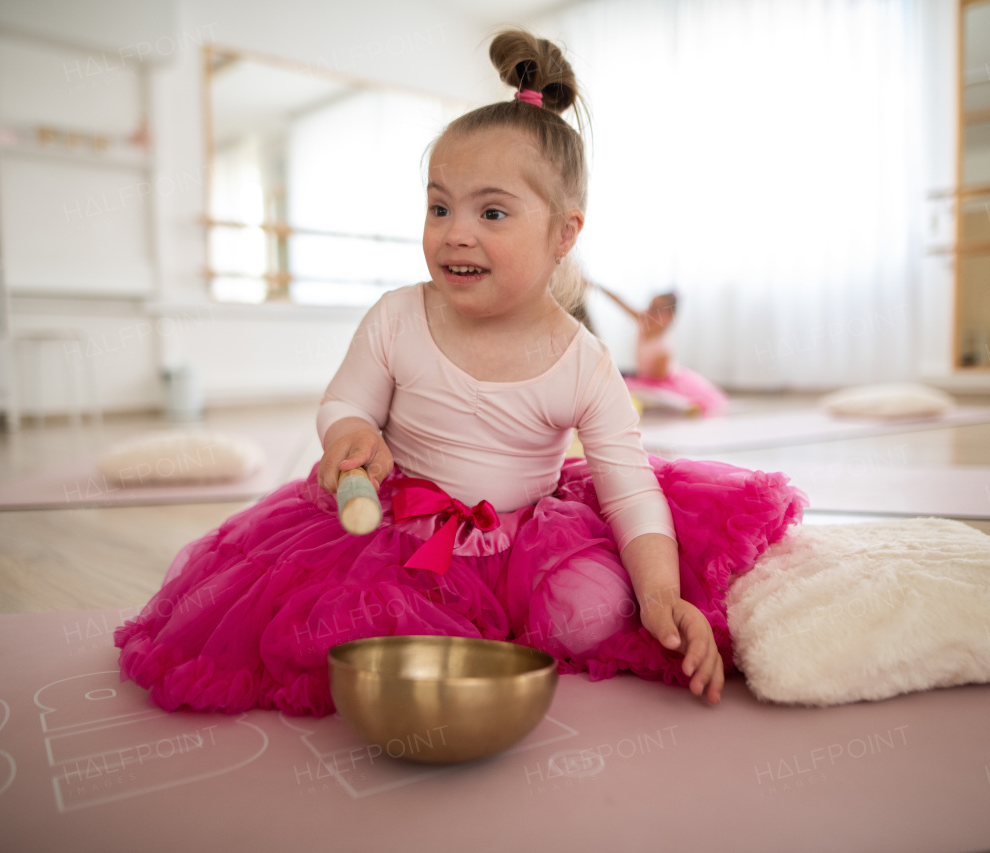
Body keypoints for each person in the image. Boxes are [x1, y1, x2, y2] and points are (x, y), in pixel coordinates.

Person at [115, 29, 805, 717]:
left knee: (597, 609)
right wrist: (351, 433)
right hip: (399, 538)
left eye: (492, 212)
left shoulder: (583, 359)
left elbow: (630, 491)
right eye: (439, 206)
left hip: (528, 540)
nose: (455, 232)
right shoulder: (397, 317)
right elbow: (343, 401)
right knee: (357, 629)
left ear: (564, 233)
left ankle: (536, 616)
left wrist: (660, 594)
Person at [595, 282, 733, 416]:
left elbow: (655, 379)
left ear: (670, 316)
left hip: (661, 383)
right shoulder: (643, 321)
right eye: (651, 307)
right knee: (620, 390)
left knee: (645, 394)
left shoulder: (664, 348)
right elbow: (620, 301)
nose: (651, 312)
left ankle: (684, 406)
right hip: (644, 378)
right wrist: (596, 286)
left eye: (658, 310)